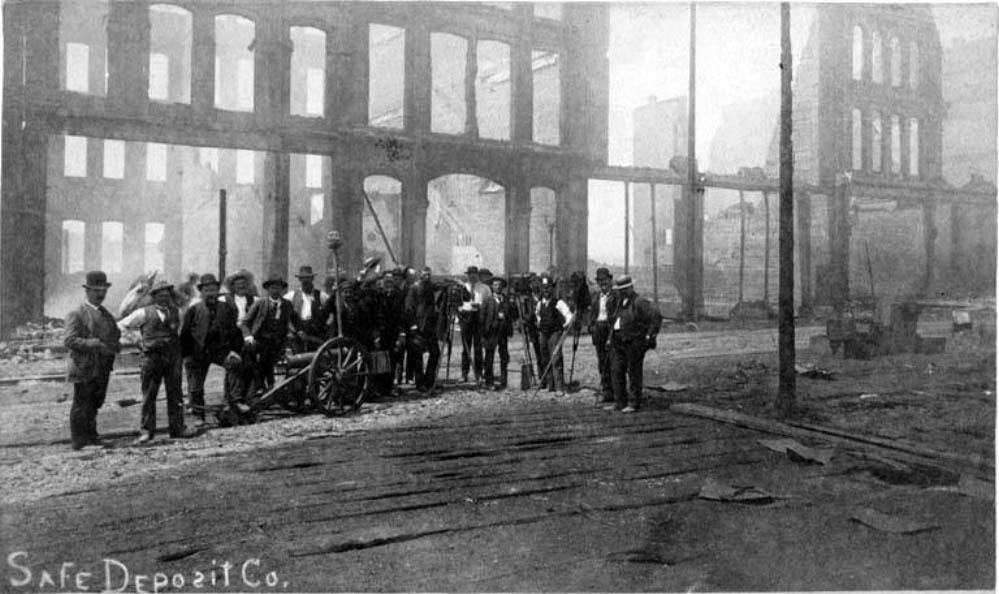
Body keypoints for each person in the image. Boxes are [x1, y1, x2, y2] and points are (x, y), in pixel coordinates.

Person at [119, 280, 195, 443]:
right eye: (160, 295)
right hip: (152, 358)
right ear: (154, 297)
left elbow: (181, 332)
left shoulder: (178, 312)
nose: (163, 298)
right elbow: (121, 326)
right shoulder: (143, 313)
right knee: (149, 396)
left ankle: (177, 429)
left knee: (175, 395)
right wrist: (137, 341)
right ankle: (147, 431)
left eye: (166, 295)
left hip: (172, 358)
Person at [63, 271, 122, 450]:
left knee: (95, 402)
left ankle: (92, 437)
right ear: (87, 291)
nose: (101, 294)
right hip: (84, 365)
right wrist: (94, 343)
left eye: (103, 290)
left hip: (102, 366)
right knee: (82, 403)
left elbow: (114, 333)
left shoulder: (105, 313)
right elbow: (69, 340)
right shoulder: (77, 312)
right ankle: (79, 441)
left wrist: (115, 343)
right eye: (96, 290)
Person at [180, 274, 245, 426]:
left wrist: (235, 351)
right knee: (195, 386)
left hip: (220, 351)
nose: (210, 293)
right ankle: (198, 416)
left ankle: (234, 402)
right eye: (207, 290)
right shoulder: (193, 310)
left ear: (218, 291)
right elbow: (185, 335)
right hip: (199, 351)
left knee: (235, 365)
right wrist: (186, 356)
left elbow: (235, 333)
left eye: (213, 290)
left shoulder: (227, 309)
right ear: (201, 292)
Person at [606, 275, 663, 413]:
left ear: (631, 287)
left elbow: (656, 316)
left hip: (634, 343)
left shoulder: (639, 302)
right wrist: (610, 338)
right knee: (616, 370)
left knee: (634, 373)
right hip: (618, 341)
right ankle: (620, 402)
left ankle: (633, 403)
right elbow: (614, 321)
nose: (621, 292)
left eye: (625, 289)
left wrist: (650, 335)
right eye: (620, 289)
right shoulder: (619, 302)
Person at [241, 274, 295, 398]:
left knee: (271, 364)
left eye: (278, 288)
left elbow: (295, 320)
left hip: (278, 342)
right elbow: (245, 322)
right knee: (260, 364)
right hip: (260, 340)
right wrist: (249, 336)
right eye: (272, 288)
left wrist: (299, 332)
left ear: (282, 290)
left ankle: (270, 390)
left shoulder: (286, 305)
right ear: (268, 289)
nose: (275, 290)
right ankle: (259, 390)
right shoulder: (260, 303)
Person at [404, 266, 441, 392]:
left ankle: (429, 380)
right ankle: (420, 384)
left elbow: (440, 286)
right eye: (425, 275)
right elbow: (409, 308)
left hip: (430, 326)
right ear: (420, 275)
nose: (427, 277)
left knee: (435, 353)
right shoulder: (414, 288)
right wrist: (412, 325)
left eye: (429, 275)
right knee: (417, 356)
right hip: (418, 326)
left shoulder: (430, 287)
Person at [535, 274, 574, 393]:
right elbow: (537, 314)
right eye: (544, 287)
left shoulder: (558, 303)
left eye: (548, 287)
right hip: (543, 334)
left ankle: (559, 387)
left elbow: (569, 315)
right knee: (545, 358)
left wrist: (565, 325)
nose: (546, 290)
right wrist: (539, 322)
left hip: (554, 334)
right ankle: (549, 385)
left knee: (556, 359)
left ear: (552, 288)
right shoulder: (540, 303)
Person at [459, 266, 492, 384]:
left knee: (478, 348)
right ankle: (464, 373)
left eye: (474, 274)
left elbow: (489, 304)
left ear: (477, 275)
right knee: (466, 348)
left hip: (479, 320)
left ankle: (479, 373)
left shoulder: (485, 288)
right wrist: (462, 310)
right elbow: (459, 303)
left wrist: (480, 306)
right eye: (469, 274)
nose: (472, 276)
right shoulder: (463, 287)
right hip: (467, 320)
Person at [587, 268, 616, 404]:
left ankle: (616, 391)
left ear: (610, 280)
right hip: (599, 330)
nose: (603, 283)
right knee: (601, 362)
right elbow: (592, 314)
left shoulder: (616, 296)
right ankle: (607, 391)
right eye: (600, 281)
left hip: (611, 330)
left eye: (605, 280)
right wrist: (592, 327)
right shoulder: (596, 297)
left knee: (612, 362)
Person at [483, 276, 517, 390]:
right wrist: (484, 332)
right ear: (492, 287)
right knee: (489, 357)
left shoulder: (507, 300)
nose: (497, 287)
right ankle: (489, 382)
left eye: (499, 285)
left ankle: (504, 380)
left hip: (503, 332)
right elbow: (482, 317)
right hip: (491, 333)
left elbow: (514, 315)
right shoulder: (488, 300)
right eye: (495, 285)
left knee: (504, 356)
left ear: (502, 287)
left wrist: (513, 305)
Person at [285, 265, 323, 353]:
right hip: (297, 330)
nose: (305, 280)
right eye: (302, 278)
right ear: (299, 280)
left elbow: (329, 311)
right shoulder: (291, 296)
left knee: (314, 355)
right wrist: (290, 328)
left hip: (314, 331)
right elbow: (283, 310)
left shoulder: (320, 295)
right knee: (298, 356)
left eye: (308, 278)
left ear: (312, 279)